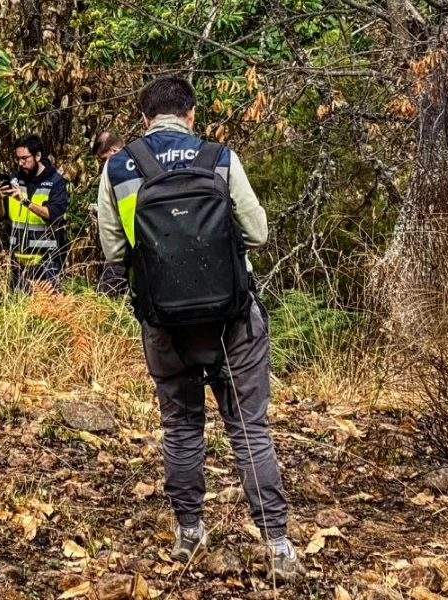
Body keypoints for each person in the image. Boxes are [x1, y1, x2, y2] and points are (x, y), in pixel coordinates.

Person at [97, 77, 304, 581]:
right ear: (191, 114)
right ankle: (278, 546)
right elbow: (257, 233)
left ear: (144, 118)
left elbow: (115, 253)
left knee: (182, 427)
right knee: (249, 428)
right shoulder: (220, 158)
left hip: (164, 323)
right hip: (232, 320)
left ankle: (189, 532)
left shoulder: (120, 168)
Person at [0, 134, 69, 290]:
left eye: (25, 158)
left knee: (47, 304)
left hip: (47, 262)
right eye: (18, 159)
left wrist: (25, 201)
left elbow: (54, 214)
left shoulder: (55, 182)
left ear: (38, 156)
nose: (20, 163)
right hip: (17, 263)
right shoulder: (14, 180)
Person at [90, 131, 128, 297]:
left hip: (120, 256)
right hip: (147, 249)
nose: (104, 164)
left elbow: (108, 218)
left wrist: (114, 259)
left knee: (106, 303)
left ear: (113, 150)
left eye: (104, 158)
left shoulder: (113, 166)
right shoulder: (143, 160)